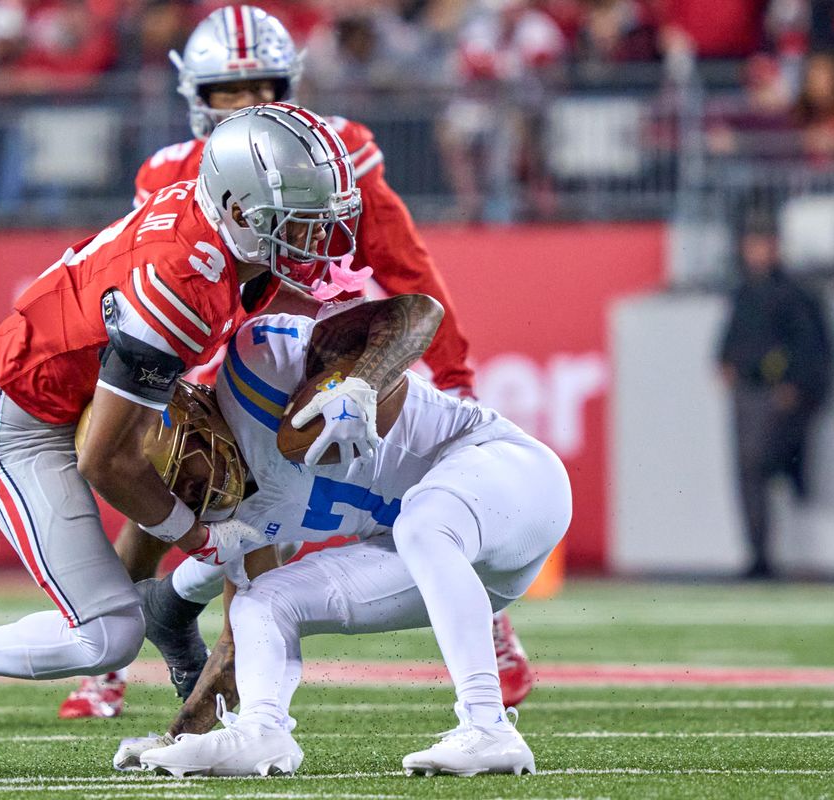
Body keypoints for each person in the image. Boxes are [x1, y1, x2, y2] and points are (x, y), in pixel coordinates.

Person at [61, 3, 544, 721]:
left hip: (321, 344)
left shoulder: (338, 145)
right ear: (198, 97)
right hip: (227, 347)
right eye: (231, 90)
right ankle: (110, 656)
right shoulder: (167, 170)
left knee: (377, 498)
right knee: (181, 477)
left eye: (264, 87)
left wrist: (450, 370)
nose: (249, 104)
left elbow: (405, 266)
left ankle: (475, 617)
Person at [0, 101, 363, 769]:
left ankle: (226, 677)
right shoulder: (181, 283)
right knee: (107, 636)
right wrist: (198, 536)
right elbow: (105, 459)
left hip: (95, 395)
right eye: (301, 221)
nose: (320, 237)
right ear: (238, 211)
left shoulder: (220, 236)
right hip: (24, 423)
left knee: (249, 491)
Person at [110, 298, 571, 776]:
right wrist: (178, 738)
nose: (192, 490)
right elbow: (233, 649)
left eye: (185, 470)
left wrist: (361, 385)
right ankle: (261, 733)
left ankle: (489, 726)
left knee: (422, 522)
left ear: (195, 413)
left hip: (515, 478)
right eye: (179, 491)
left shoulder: (257, 364)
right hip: (458, 568)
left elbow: (417, 313)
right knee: (260, 603)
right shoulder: (238, 516)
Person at [717, 211, 834, 580]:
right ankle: (758, 554)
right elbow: (731, 338)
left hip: (775, 395)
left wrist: (795, 387)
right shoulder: (745, 290)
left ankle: (777, 554)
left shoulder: (792, 293)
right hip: (746, 392)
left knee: (770, 466)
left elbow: (811, 346)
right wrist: (724, 363)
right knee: (748, 473)